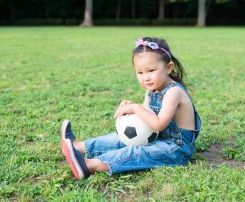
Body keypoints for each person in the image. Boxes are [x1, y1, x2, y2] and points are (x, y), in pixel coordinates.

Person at [60, 37, 202, 180]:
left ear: (168, 68)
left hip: (175, 149)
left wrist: (136, 108)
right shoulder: (152, 90)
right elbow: (147, 115)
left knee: (136, 152)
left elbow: (159, 124)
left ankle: (89, 165)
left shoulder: (173, 92)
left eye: (151, 70)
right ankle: (77, 147)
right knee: (120, 139)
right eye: (140, 73)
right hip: (158, 138)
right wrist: (133, 106)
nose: (146, 78)